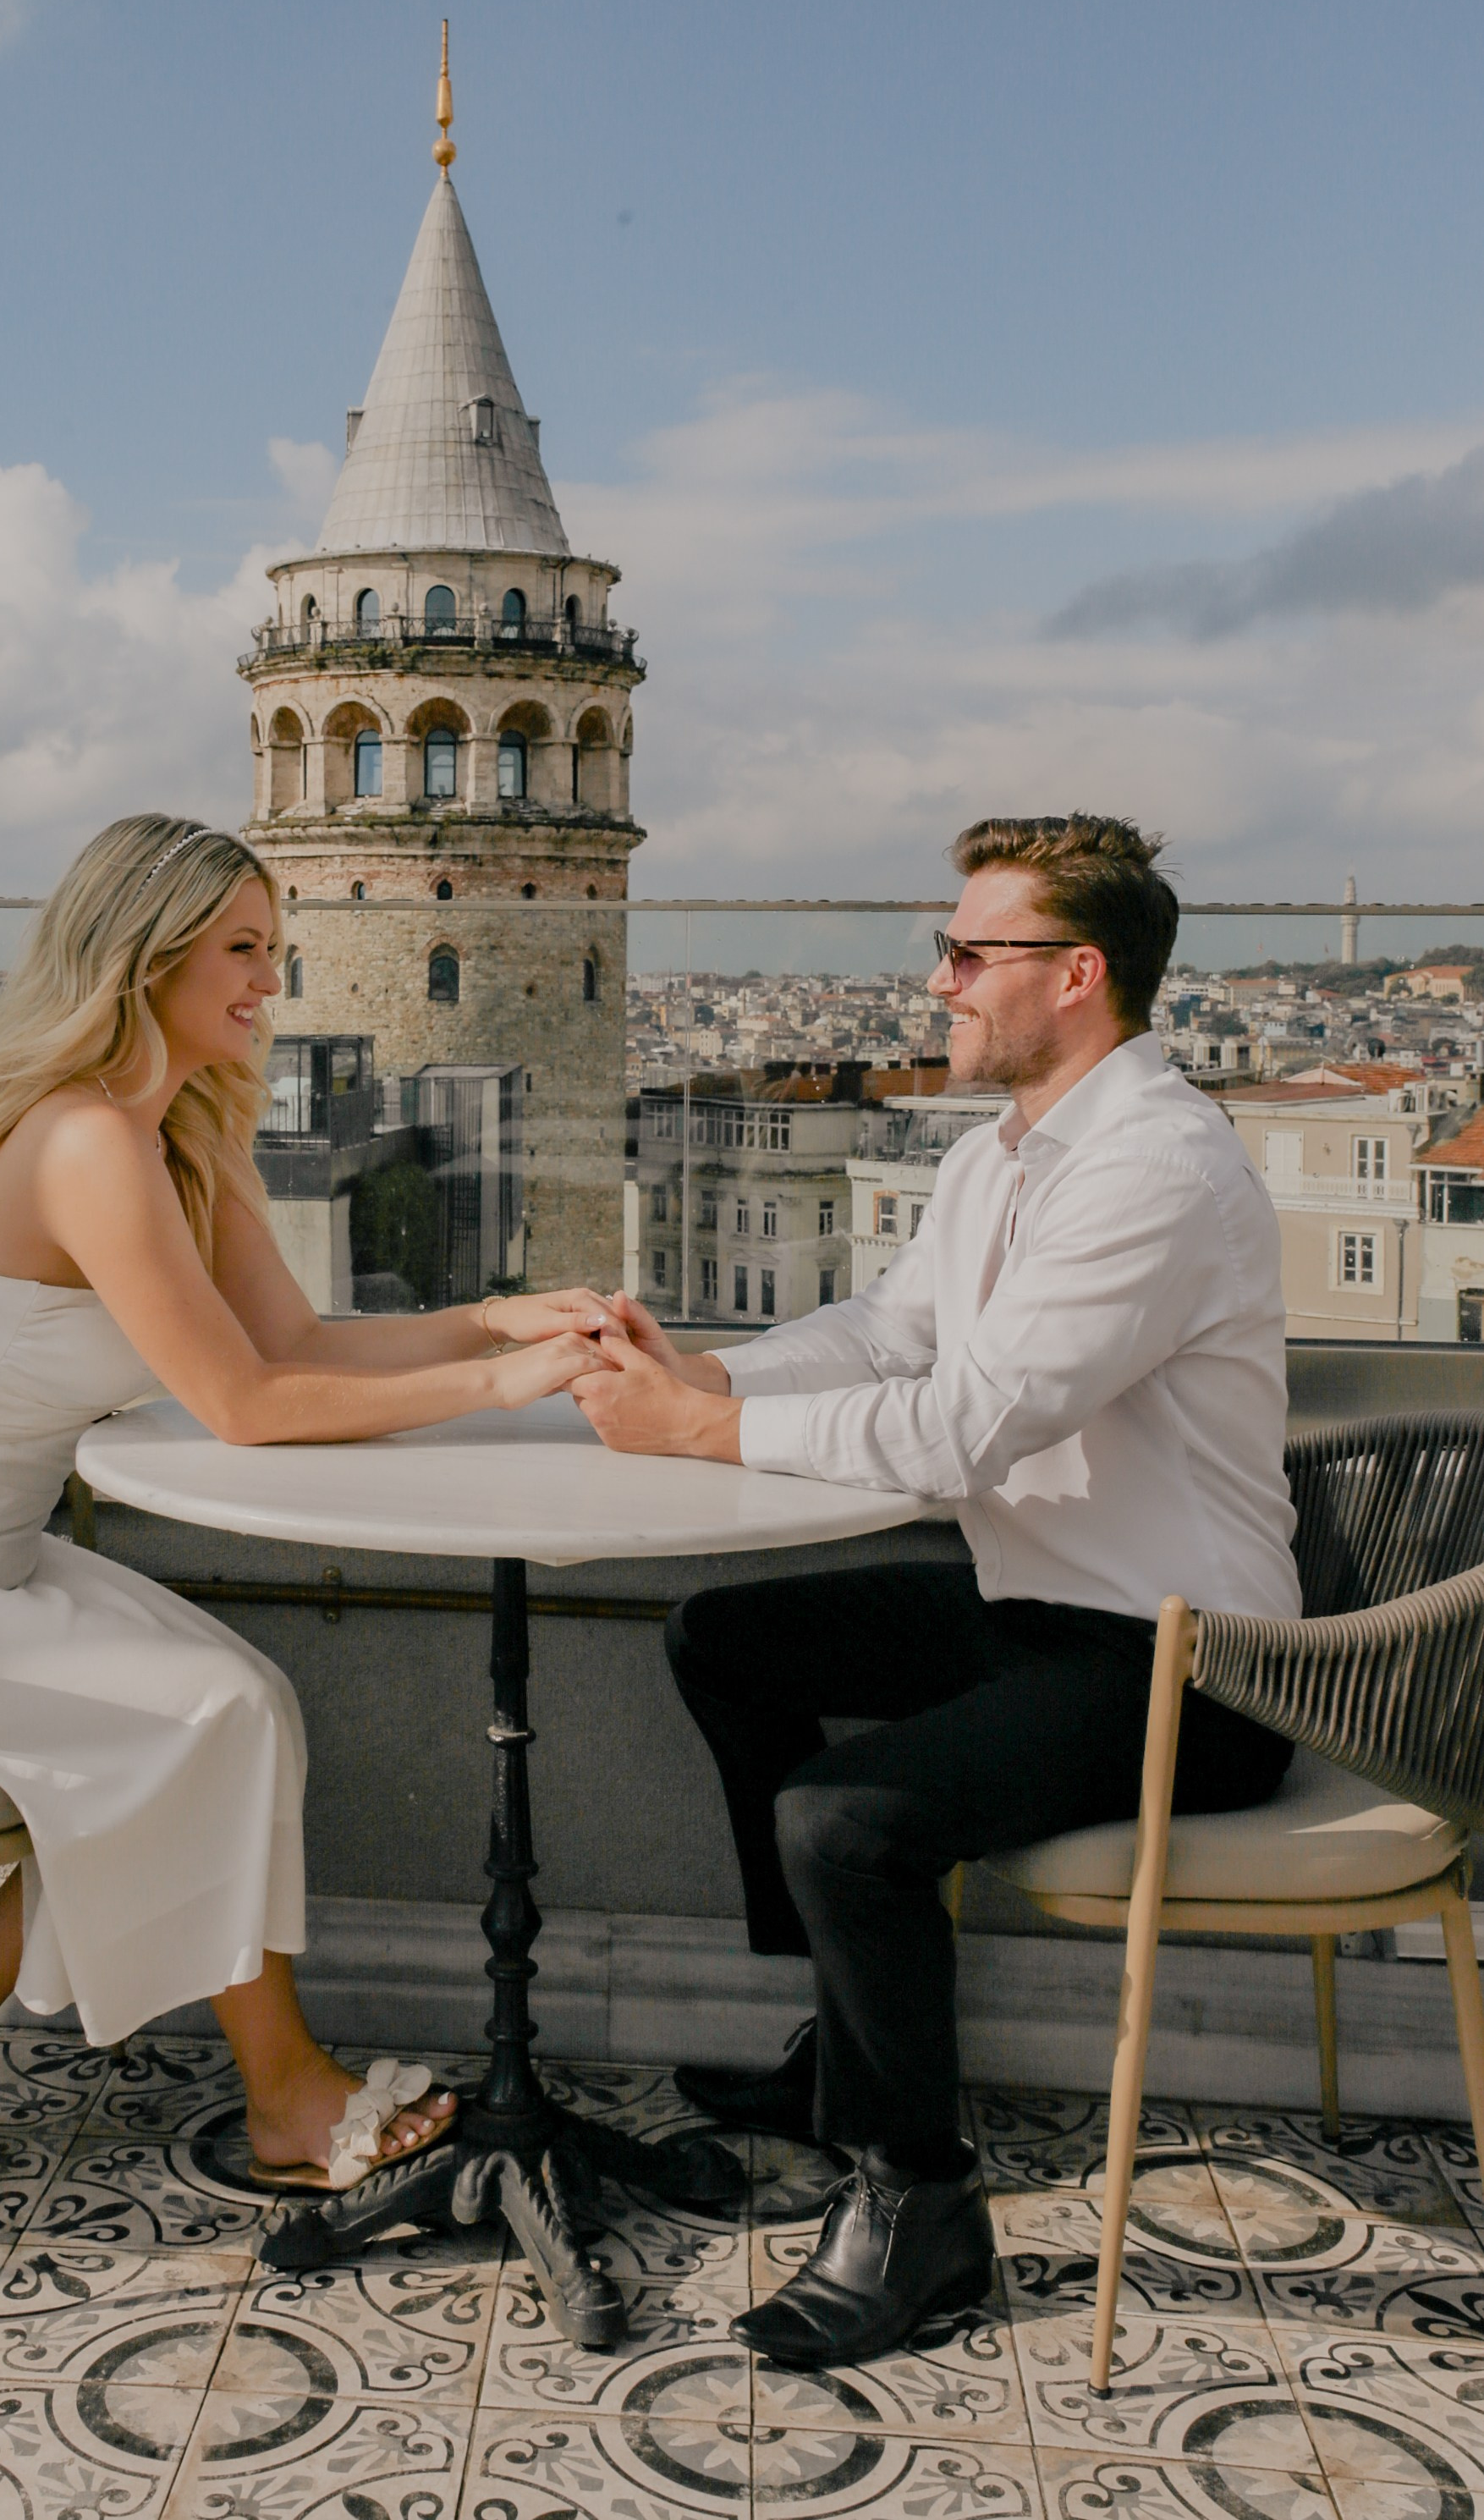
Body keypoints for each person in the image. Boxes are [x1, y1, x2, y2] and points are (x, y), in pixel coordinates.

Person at [0, 813, 605, 2199]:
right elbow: (244, 1402)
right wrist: (499, 1389)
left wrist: (497, 1321)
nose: (270, 981)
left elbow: (296, 1343)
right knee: (219, 1721)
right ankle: (283, 2094)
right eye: (242, 950)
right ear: (145, 958)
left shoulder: (177, 1129)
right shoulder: (86, 1140)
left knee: (235, 1709)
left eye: (273, 949)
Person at [571, 813, 1300, 2368]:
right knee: (727, 1641)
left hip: (1193, 1665)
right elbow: (884, 1334)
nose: (938, 982)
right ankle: (846, 2048)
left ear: (1075, 974)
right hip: (1046, 1613)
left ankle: (918, 2201)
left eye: (969, 952)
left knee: (842, 1819)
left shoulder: (1156, 1169)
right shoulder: (999, 1158)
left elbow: (967, 1426)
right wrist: (710, 1374)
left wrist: (700, 1434)